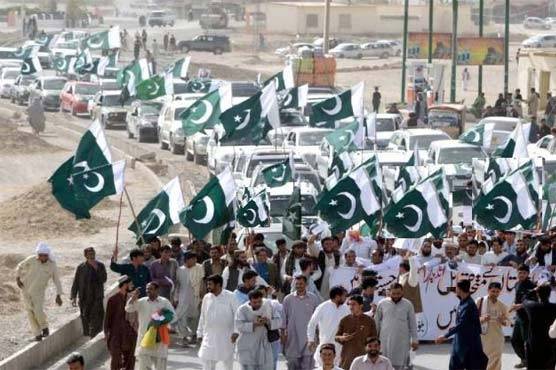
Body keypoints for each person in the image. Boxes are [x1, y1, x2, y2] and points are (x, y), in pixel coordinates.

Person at [435, 279, 488, 370]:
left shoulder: (469, 305)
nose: (455, 289)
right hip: (460, 342)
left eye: (456, 288)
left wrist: (445, 336)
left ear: (459, 289)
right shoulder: (463, 302)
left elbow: (462, 324)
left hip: (469, 344)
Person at [16, 242, 63, 341]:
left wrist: (58, 294)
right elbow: (20, 266)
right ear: (38, 254)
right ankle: (37, 334)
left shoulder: (52, 265)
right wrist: (17, 278)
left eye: (45, 255)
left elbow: (57, 280)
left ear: (48, 255)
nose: (42, 257)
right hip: (25, 290)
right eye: (40, 255)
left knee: (38, 310)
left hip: (39, 292)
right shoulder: (32, 259)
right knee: (30, 312)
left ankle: (44, 327)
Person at [125, 282, 175, 370]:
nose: (148, 291)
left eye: (151, 289)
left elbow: (173, 316)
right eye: (147, 289)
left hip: (159, 341)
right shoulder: (142, 301)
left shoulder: (164, 302)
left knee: (160, 367)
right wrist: (133, 298)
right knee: (144, 367)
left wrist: (159, 319)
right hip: (144, 340)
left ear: (157, 290)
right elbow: (128, 308)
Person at [197, 274, 239, 370]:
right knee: (207, 362)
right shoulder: (207, 297)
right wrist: (199, 333)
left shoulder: (230, 296)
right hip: (209, 336)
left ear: (218, 285)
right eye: (207, 284)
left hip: (227, 336)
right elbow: (203, 316)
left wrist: (236, 332)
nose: (208, 287)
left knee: (227, 364)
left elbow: (237, 315)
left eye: (210, 284)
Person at [374, 283, 417, 370]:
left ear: (402, 292)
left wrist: (415, 339)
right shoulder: (382, 303)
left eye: (398, 293)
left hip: (402, 341)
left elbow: (413, 323)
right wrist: (374, 339)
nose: (396, 296)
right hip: (385, 340)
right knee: (384, 364)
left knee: (402, 365)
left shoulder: (408, 304)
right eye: (394, 293)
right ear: (389, 292)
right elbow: (376, 322)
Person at [282, 275, 320, 370]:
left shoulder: (313, 298)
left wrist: (318, 336)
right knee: (292, 366)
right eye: (296, 284)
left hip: (309, 340)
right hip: (292, 339)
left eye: (301, 284)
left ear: (306, 284)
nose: (298, 286)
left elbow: (317, 320)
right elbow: (283, 320)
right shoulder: (288, 299)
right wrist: (283, 336)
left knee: (307, 366)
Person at [235, 289, 279, 370]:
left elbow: (279, 321)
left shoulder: (268, 306)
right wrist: (254, 324)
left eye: (259, 301)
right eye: (255, 302)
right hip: (247, 345)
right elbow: (239, 325)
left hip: (263, 345)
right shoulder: (242, 309)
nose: (258, 304)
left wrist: (268, 322)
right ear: (250, 300)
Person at [307, 286, 350, 365]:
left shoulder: (346, 309)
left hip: (340, 348)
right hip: (325, 346)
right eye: (344, 296)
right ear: (337, 297)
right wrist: (310, 339)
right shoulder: (323, 307)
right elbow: (312, 323)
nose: (346, 298)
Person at [70, 247, 107, 337]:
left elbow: (104, 279)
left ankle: (94, 336)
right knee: (86, 318)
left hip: (97, 298)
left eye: (93, 253)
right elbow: (76, 282)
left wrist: (96, 269)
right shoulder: (81, 267)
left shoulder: (100, 266)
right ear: (85, 255)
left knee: (97, 318)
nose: (92, 255)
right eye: (89, 254)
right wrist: (73, 296)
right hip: (84, 298)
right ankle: (90, 335)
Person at [336, 295, 377, 370]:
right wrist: (343, 338)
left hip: (363, 359)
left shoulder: (369, 321)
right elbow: (336, 337)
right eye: (350, 304)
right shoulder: (345, 320)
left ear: (361, 305)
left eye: (354, 304)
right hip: (347, 359)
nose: (351, 307)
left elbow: (374, 339)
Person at [104, 276, 137, 370]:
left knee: (130, 359)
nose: (132, 286)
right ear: (124, 285)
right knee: (116, 359)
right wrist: (106, 333)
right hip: (116, 334)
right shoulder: (113, 299)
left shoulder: (132, 299)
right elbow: (107, 318)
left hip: (130, 333)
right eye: (130, 284)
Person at [476, 282, 509, 370]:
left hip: (497, 338)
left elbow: (508, 321)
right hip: (483, 337)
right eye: (493, 291)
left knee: (496, 360)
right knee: (482, 359)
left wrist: (503, 321)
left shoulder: (502, 305)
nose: (495, 294)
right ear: (488, 290)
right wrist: (481, 319)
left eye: (497, 292)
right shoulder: (480, 301)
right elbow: (471, 318)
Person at [522, 284, 556, 370]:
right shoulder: (554, 307)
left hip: (534, 345)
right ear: (549, 294)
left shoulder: (532, 306)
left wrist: (533, 290)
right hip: (550, 345)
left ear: (537, 294)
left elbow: (524, 298)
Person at [509, 264, 537, 368]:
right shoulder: (517, 284)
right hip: (519, 317)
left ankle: (530, 363)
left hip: (528, 318)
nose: (521, 275)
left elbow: (534, 302)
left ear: (528, 274)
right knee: (514, 340)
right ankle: (524, 360)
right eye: (520, 272)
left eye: (524, 273)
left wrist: (520, 306)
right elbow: (517, 299)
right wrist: (514, 306)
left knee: (527, 342)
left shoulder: (532, 286)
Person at [174, 251, 204, 345]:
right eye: (193, 259)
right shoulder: (180, 270)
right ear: (187, 260)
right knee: (181, 317)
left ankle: (194, 335)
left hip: (195, 297)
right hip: (183, 298)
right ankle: (183, 337)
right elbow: (177, 285)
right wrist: (175, 297)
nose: (195, 260)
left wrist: (202, 295)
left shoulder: (199, 268)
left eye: (196, 259)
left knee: (194, 318)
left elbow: (202, 282)